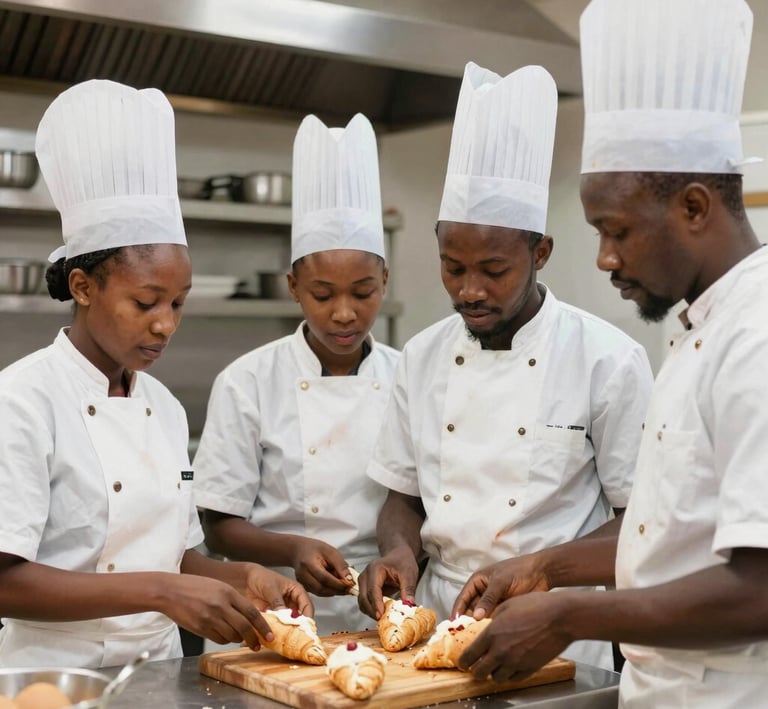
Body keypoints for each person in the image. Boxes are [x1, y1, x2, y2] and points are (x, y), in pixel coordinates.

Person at [455, 1, 768, 707]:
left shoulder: (757, 337)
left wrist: (570, 615)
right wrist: (547, 568)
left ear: (694, 207)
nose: (604, 258)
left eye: (617, 230)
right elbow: (671, 538)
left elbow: (760, 589)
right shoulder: (700, 328)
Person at [0, 79, 312, 669]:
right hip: (52, 680)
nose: (165, 324)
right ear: (82, 287)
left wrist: (244, 576)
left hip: (161, 675)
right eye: (145, 303)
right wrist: (161, 592)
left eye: (178, 303)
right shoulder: (22, 400)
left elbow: (176, 556)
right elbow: (4, 581)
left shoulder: (163, 405)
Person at [356, 63, 653, 669]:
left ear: (540, 252)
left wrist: (542, 569)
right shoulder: (422, 356)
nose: (469, 290)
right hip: (435, 622)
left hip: (556, 631)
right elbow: (403, 498)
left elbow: (643, 523)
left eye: (494, 271)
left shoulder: (607, 359)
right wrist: (399, 552)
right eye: (453, 267)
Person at [193, 113, 399, 635]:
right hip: (274, 613)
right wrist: (293, 549)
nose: (344, 313)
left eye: (364, 292)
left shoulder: (408, 377)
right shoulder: (247, 381)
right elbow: (218, 527)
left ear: (385, 280)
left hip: (382, 614)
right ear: (292, 287)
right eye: (322, 295)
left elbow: (415, 504)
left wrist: (398, 556)